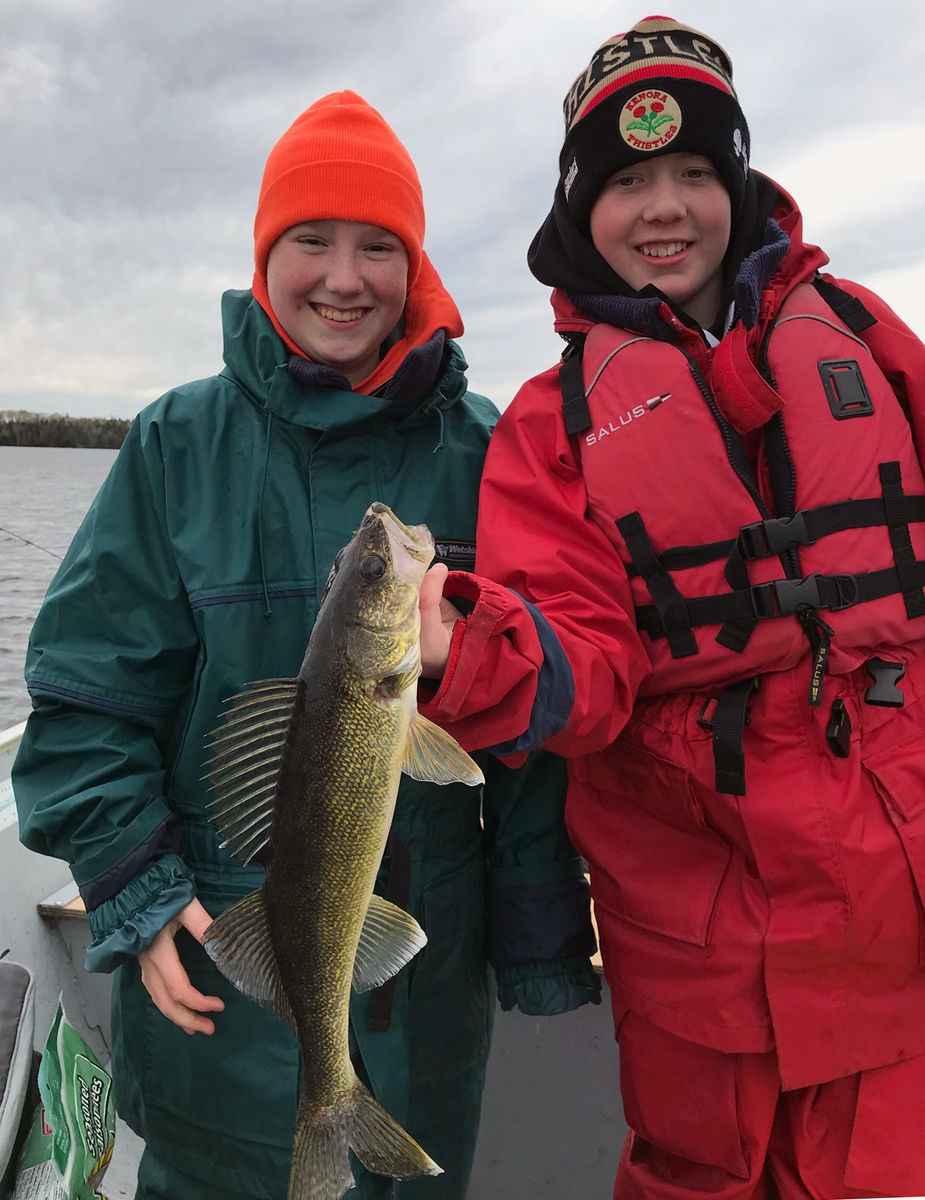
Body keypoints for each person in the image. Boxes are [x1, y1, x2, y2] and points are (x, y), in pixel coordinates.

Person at [11, 91, 600, 1200]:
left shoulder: (490, 454)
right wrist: (134, 890)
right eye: (310, 241)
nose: (343, 276)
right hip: (213, 1002)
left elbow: (531, 745)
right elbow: (87, 702)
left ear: (417, 269)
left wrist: (535, 932)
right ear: (263, 254)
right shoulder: (176, 445)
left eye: (378, 246)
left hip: (429, 1011)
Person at [417, 16, 925, 1200]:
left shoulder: (862, 336)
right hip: (698, 944)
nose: (665, 208)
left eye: (696, 172)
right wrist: (466, 652)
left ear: (739, 186)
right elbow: (579, 668)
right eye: (628, 180)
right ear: (577, 210)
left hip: (896, 902)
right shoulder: (555, 421)